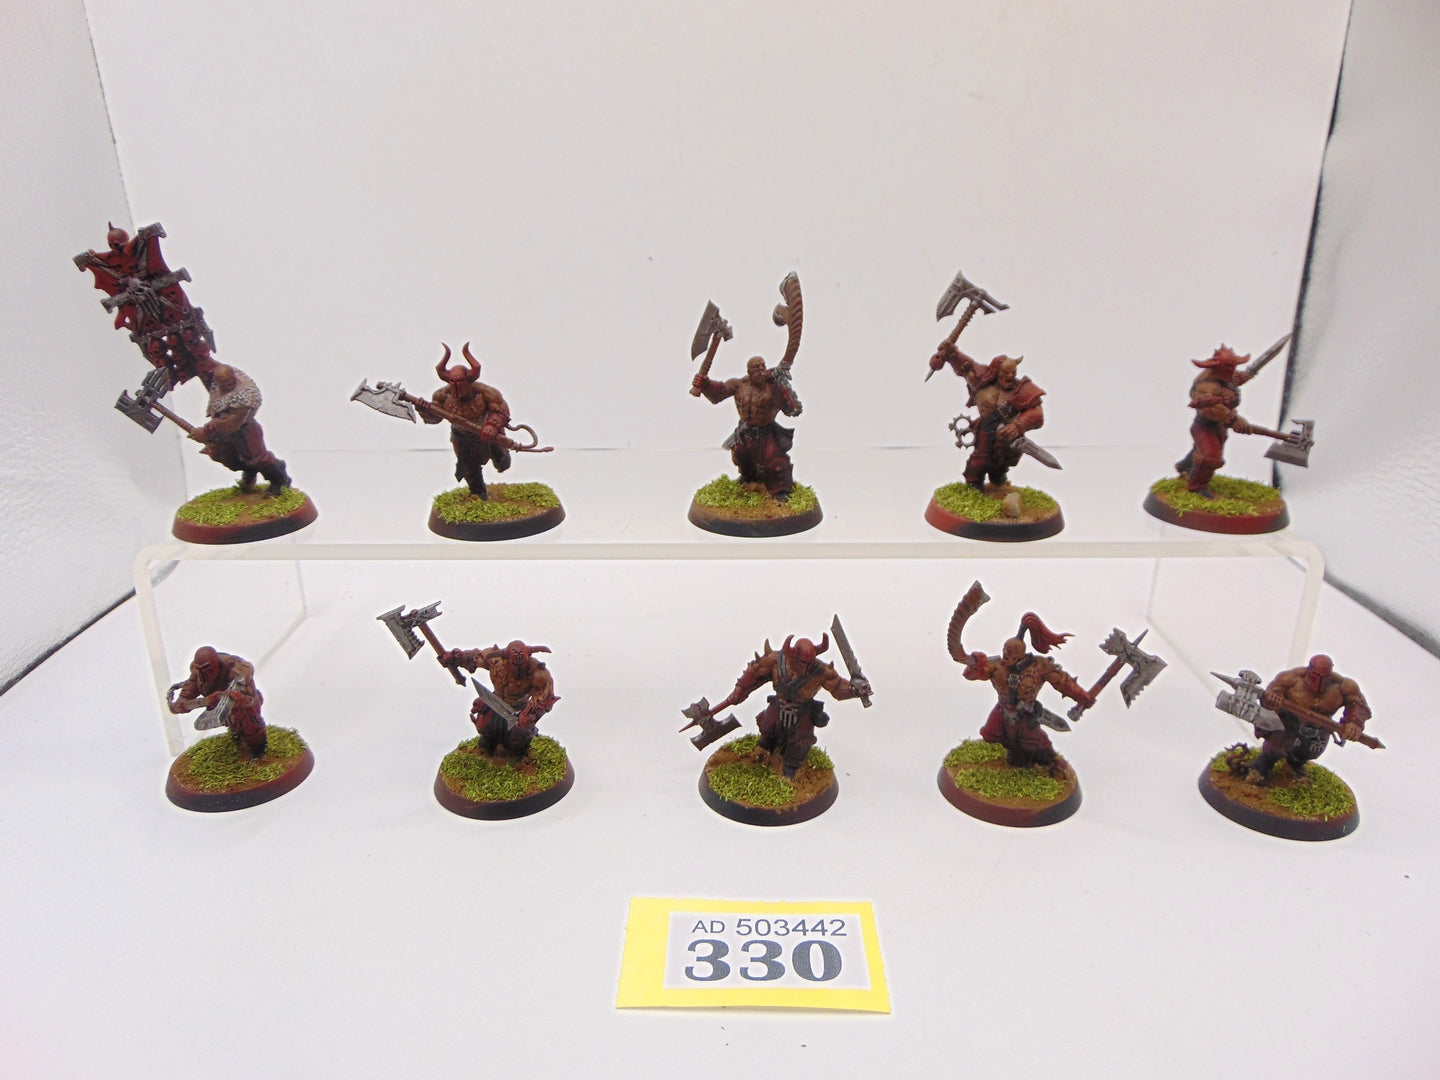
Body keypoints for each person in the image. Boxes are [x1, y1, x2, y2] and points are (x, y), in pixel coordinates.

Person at [697, 634, 870, 778]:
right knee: (768, 727)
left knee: (801, 740)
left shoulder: (821, 671)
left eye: (809, 662)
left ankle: (790, 768)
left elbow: (838, 687)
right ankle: (765, 747)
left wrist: (854, 690)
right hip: (778, 706)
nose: (806, 667)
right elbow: (755, 671)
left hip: (803, 710)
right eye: (802, 662)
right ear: (793, 656)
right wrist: (739, 689)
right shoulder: (776, 660)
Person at [960, 613, 1094, 772]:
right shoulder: (996, 666)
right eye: (1005, 650)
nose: (1006, 654)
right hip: (1002, 713)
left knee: (1037, 747)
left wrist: (1082, 696)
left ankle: (1054, 768)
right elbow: (970, 674)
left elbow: (1063, 682)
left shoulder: (1039, 667)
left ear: (1020, 655)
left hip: (1026, 715)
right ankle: (1011, 759)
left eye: (1011, 652)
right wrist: (975, 662)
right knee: (991, 736)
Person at [928, 341, 1046, 489]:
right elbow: (966, 366)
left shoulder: (1022, 389)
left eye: (1013, 373)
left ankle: (998, 479)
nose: (1010, 376)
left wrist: (1018, 425)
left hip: (1008, 433)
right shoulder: (981, 381)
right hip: (986, 428)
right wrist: (951, 352)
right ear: (996, 371)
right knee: (979, 459)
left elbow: (1037, 414)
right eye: (1005, 373)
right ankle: (974, 485)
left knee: (1004, 459)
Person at [692, 354, 803, 501]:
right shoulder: (739, 385)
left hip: (767, 435)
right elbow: (719, 393)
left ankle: (781, 491)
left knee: (777, 463)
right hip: (745, 434)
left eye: (763, 366)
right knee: (740, 453)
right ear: (749, 371)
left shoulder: (773, 388)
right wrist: (705, 384)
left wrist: (784, 391)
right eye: (757, 367)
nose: (761, 370)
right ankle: (749, 478)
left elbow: (793, 409)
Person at [1247, 654, 1371, 783]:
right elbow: (1271, 695)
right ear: (1309, 669)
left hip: (1319, 729)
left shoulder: (1344, 686)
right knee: (1275, 747)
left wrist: (1354, 722)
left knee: (1309, 753)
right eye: (1315, 675)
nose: (1319, 682)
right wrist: (1273, 699)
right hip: (1289, 722)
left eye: (1324, 678)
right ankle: (1260, 768)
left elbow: (1358, 704)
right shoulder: (1291, 679)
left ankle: (1295, 766)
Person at [438, 640, 558, 762]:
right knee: (485, 738)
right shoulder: (495, 661)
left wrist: (528, 715)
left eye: (522, 663)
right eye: (514, 663)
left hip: (520, 711)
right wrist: (454, 658)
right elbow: (475, 657)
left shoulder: (537, 672)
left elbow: (544, 697)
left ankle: (516, 756)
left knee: (516, 745)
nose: (518, 668)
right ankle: (490, 742)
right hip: (495, 703)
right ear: (506, 659)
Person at [421, 343, 511, 499]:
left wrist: (492, 424)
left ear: (469, 380)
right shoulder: (442, 396)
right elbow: (435, 418)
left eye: (460, 381)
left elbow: (501, 409)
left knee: (501, 460)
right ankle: (478, 493)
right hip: (462, 437)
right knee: (468, 467)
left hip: (487, 433)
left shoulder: (485, 392)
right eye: (453, 382)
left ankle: (502, 459)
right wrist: (424, 410)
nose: (456, 386)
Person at [187, 364, 292, 492]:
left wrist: (205, 431)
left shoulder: (244, 398)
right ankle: (250, 472)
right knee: (228, 458)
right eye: (224, 383)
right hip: (227, 434)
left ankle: (279, 479)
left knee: (258, 460)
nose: (228, 385)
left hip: (246, 431)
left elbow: (228, 422)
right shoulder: (216, 386)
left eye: (230, 381)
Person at [1175, 345, 1254, 496]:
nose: (1233, 371)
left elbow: (1235, 380)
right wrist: (1234, 420)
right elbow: (1211, 408)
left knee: (1203, 448)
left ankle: (1185, 466)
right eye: (1230, 366)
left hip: (1219, 427)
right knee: (1211, 456)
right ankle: (1197, 486)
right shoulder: (1206, 386)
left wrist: (1249, 373)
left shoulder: (1225, 377)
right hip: (1204, 426)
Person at [167, 646, 267, 756]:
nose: (203, 674)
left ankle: (258, 753)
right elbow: (191, 686)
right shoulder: (198, 672)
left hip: (245, 705)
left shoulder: (237, 672)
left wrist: (235, 699)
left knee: (251, 729)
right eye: (200, 670)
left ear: (218, 664)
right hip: (221, 708)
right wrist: (182, 700)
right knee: (236, 729)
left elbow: (249, 699)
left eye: (207, 669)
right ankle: (240, 740)